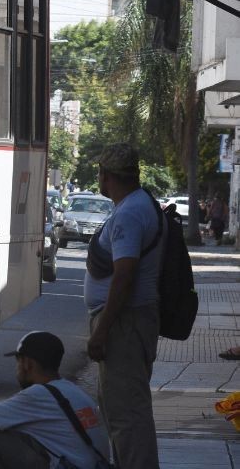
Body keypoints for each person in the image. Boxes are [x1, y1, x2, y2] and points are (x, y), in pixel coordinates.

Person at [84, 143, 160, 467]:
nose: (98, 177)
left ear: (108, 175)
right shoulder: (136, 205)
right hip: (129, 324)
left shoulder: (129, 213)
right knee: (122, 411)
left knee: (127, 417)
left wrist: (102, 331)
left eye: (99, 171)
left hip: (123, 326)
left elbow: (124, 277)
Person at [0, 331, 110, 469]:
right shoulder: (73, 391)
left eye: (18, 361)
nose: (17, 368)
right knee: (9, 426)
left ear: (27, 363)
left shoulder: (37, 394)